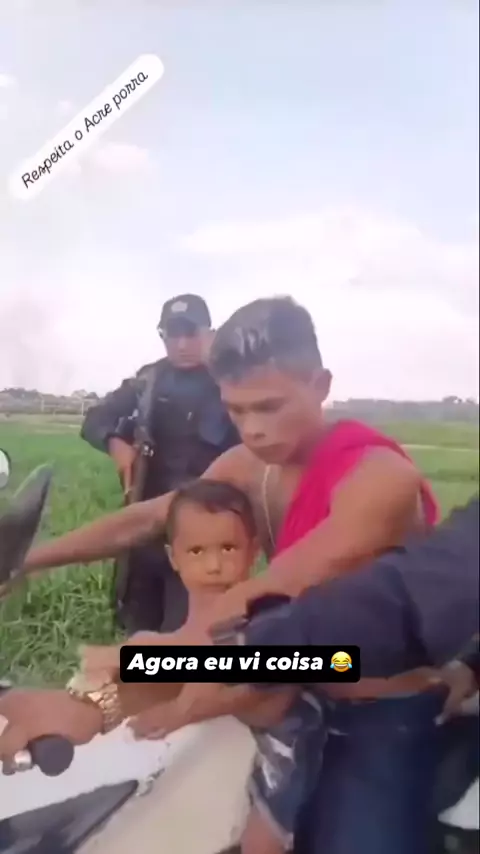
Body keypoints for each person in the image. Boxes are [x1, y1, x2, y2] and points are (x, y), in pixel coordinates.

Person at [0, 296, 455, 853]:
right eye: (237, 410)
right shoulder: (250, 466)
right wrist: (23, 560)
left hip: (371, 698)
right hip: (287, 674)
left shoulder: (378, 480)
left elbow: (261, 599)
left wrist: (112, 682)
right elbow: (150, 518)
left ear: (320, 385)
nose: (253, 428)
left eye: (269, 407)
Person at [81, 478, 324, 854]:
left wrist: (181, 708)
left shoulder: (265, 616)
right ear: (174, 557)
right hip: (206, 752)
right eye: (196, 551)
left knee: (262, 842)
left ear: (252, 551)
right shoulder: (165, 639)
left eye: (228, 548)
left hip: (284, 744)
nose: (214, 565)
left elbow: (249, 677)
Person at [80, 293, 239, 634]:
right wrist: (116, 445)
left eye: (190, 333)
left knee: (187, 635)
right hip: (146, 533)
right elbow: (95, 419)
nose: (181, 344)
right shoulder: (147, 382)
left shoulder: (232, 383)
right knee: (138, 633)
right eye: (172, 334)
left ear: (209, 334)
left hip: (204, 538)